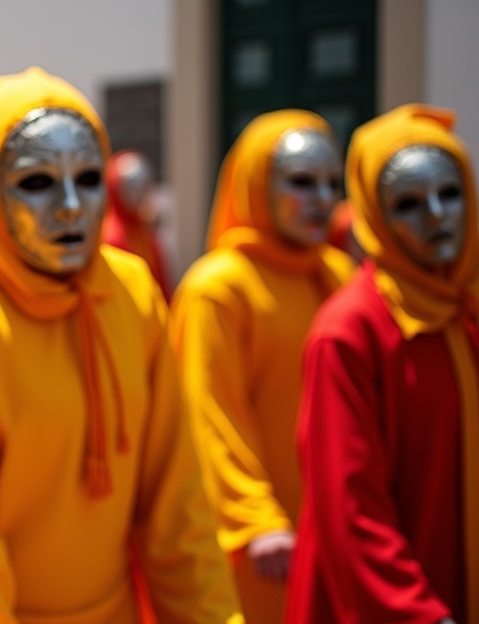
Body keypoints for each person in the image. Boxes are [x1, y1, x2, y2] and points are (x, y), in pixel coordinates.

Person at [0, 66, 240, 623]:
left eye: (89, 177)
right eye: (37, 182)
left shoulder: (132, 294)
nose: (72, 205)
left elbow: (179, 508)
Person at [286, 104, 477, 623]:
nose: (438, 215)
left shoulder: (468, 308)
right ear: (375, 216)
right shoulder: (349, 332)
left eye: (451, 193)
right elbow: (350, 508)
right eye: (409, 204)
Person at [169, 110, 354, 624]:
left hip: (335, 529)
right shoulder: (220, 288)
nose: (321, 199)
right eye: (300, 182)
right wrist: (255, 518)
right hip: (264, 548)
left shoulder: (339, 276)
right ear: (255, 187)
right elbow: (209, 412)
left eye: (331, 184)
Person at [101, 150, 171, 299]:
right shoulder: (110, 235)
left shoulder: (144, 227)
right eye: (133, 187)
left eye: (144, 186)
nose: (140, 194)